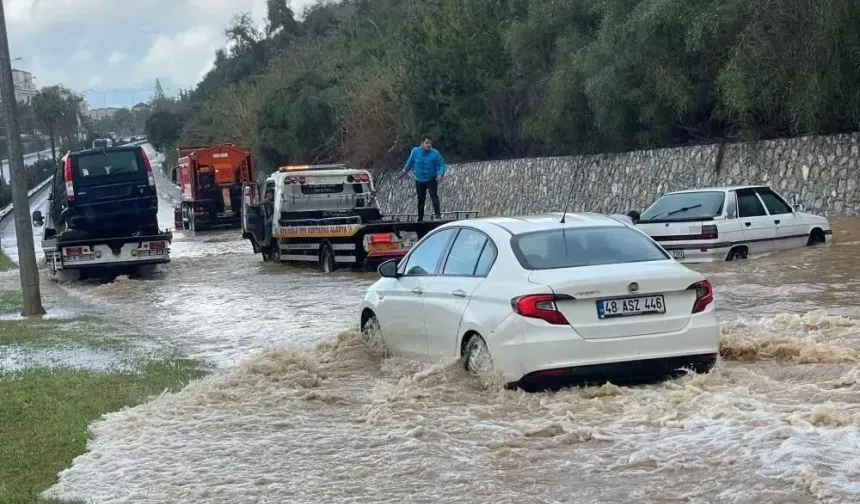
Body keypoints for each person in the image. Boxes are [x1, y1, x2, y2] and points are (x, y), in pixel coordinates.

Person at [401, 135, 446, 221]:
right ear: (422, 143)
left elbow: (441, 165)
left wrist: (440, 174)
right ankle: (420, 217)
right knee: (421, 198)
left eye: (430, 143)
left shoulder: (435, 153)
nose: (429, 145)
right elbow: (410, 162)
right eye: (427, 143)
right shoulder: (415, 151)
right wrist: (404, 170)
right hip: (419, 178)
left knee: (434, 195)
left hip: (431, 178)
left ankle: (437, 216)